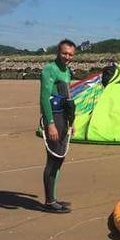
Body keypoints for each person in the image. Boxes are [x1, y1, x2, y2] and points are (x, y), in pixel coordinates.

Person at [39, 39, 77, 213]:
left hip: (64, 117)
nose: (67, 57)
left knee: (60, 158)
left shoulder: (67, 71)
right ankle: (49, 202)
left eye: (70, 54)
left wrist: (72, 122)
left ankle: (53, 197)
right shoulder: (50, 70)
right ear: (58, 52)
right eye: (64, 53)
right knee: (53, 159)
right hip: (54, 117)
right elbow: (44, 98)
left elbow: (68, 98)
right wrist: (50, 124)